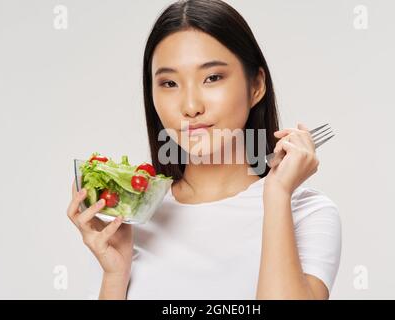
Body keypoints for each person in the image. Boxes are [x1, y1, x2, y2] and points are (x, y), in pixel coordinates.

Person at [67, 0, 341, 300]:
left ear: (256, 86)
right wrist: (114, 276)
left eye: (212, 78)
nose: (191, 107)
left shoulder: (306, 212)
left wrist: (276, 195)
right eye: (169, 83)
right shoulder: (131, 218)